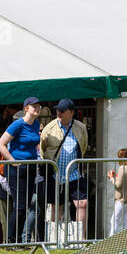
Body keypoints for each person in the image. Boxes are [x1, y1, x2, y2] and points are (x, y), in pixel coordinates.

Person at [0, 98, 45, 245]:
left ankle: (18, 240)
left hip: (30, 167)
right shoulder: (17, 125)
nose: (37, 108)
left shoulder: (36, 124)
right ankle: (11, 240)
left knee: (25, 206)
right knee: (20, 206)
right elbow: (1, 144)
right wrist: (12, 160)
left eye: (38, 106)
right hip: (17, 169)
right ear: (25, 108)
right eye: (34, 106)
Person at [41, 99, 90, 236]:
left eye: (63, 110)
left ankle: (81, 238)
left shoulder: (80, 128)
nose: (59, 112)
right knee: (57, 206)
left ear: (72, 112)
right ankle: (54, 238)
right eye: (58, 110)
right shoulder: (49, 128)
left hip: (74, 173)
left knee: (82, 204)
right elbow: (43, 149)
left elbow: (84, 146)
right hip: (55, 175)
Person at [107, 148, 127, 235]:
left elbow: (118, 185)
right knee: (125, 218)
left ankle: (111, 239)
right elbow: (125, 180)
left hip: (121, 198)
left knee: (114, 219)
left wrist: (111, 178)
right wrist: (116, 176)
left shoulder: (122, 168)